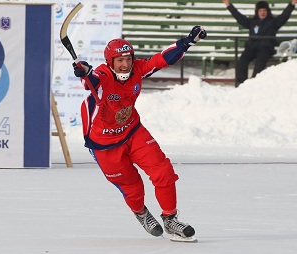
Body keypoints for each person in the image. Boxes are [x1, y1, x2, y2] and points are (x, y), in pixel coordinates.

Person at [72, 26, 206, 241]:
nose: (125, 64)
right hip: (104, 144)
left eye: (128, 59)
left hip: (133, 131)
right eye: (119, 60)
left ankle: (171, 219)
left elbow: (163, 59)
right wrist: (85, 71)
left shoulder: (137, 69)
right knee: (132, 186)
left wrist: (187, 42)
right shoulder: (103, 75)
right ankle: (141, 213)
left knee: (163, 170)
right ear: (110, 62)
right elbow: (92, 78)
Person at [222, 0, 296, 86]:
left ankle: (254, 84)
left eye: (264, 10)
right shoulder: (252, 22)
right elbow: (239, 17)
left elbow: (285, 15)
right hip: (251, 48)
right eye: (260, 10)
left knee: (259, 65)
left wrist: (292, 4)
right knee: (241, 62)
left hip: (265, 49)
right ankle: (241, 84)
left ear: (268, 11)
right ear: (257, 12)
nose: (262, 13)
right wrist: (228, 5)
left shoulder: (274, 22)